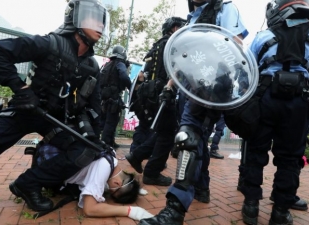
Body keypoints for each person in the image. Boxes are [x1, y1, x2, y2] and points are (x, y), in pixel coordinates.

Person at [0, 0, 126, 214]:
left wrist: (96, 138)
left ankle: (27, 184)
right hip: (24, 111)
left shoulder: (92, 66)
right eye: (93, 18)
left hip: (53, 121)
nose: (100, 25)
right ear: (75, 18)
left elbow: (94, 106)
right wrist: (21, 90)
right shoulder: (49, 43)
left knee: (86, 151)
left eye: (102, 21)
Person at [138, 0, 249, 224]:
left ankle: (175, 210)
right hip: (191, 86)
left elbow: (236, 46)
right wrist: (170, 87)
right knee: (196, 141)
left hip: (212, 86)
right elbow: (184, 59)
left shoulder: (225, 9)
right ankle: (202, 188)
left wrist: (222, 85)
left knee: (188, 137)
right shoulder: (192, 18)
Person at [239, 1, 309, 224]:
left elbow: (248, 69)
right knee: (290, 158)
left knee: (255, 151)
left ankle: (251, 205)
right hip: (299, 101)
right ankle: (280, 211)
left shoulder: (264, 35)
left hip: (265, 97)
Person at [125, 16, 185, 186]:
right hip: (164, 92)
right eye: (180, 27)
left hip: (150, 94)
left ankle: (137, 155)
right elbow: (177, 69)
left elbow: (143, 74)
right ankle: (152, 172)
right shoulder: (173, 44)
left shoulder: (156, 45)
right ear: (173, 28)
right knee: (168, 134)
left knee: (162, 131)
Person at [26, 142, 153, 220]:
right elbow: (90, 209)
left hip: (49, 150)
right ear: (117, 183)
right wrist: (132, 211)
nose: (106, 191)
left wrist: (133, 188)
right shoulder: (103, 168)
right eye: (111, 192)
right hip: (45, 162)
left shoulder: (111, 155)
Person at [99, 45, 131, 148]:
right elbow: (124, 76)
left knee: (104, 121)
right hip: (113, 96)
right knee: (111, 122)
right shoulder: (120, 64)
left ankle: (109, 141)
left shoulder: (107, 64)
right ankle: (105, 145)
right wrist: (130, 87)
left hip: (104, 97)